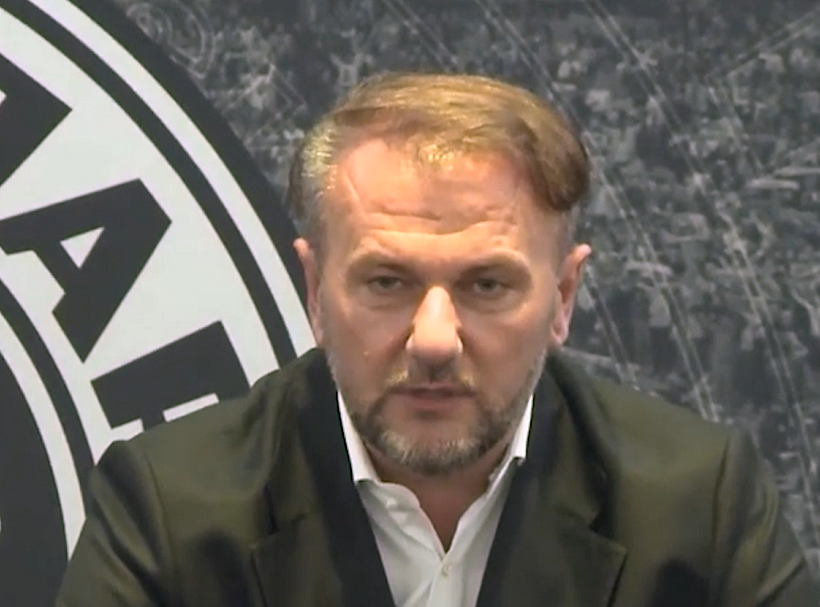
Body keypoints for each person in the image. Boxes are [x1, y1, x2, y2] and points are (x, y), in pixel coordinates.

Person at [56, 72, 819, 607]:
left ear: (563, 297)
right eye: (387, 281)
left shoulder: (698, 505)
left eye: (486, 285)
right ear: (316, 290)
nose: (432, 339)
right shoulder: (170, 509)